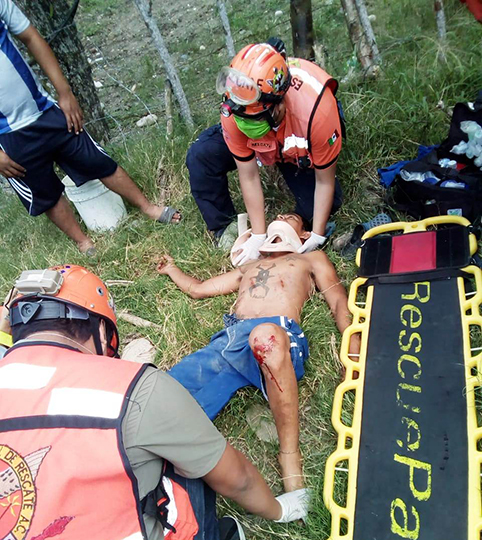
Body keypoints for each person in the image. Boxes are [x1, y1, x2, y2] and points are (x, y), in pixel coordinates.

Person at [0, 265, 309, 540]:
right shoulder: (133, 389)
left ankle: (288, 453)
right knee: (175, 440)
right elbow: (237, 478)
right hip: (225, 346)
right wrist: (279, 510)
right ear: (103, 332)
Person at [157, 213, 357, 493]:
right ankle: (157, 471)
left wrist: (353, 353)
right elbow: (199, 289)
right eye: (279, 215)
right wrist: (172, 270)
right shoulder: (249, 266)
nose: (280, 216)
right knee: (162, 394)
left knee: (264, 337)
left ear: (304, 235)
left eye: (291, 216)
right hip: (231, 340)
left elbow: (338, 302)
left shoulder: (311, 259)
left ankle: (289, 455)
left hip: (278, 334)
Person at [0, 0, 180, 255]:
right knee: (45, 192)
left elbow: (31, 36)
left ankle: (148, 207)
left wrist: (65, 92)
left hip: (45, 111)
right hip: (7, 137)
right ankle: (84, 242)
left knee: (96, 160)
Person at [187, 38, 344, 263]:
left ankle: (294, 224)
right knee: (202, 155)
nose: (247, 126)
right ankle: (225, 227)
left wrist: (318, 235)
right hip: (265, 138)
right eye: (243, 117)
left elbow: (324, 181)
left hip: (295, 147)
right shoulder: (235, 111)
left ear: (279, 104)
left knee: (324, 205)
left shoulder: (317, 113)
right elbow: (249, 175)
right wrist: (258, 235)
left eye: (255, 118)